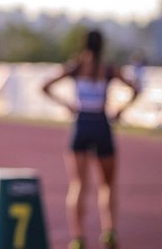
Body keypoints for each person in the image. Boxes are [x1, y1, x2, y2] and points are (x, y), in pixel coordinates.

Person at [42, 29, 139, 249]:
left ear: (84, 44)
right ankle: (109, 232)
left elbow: (45, 86)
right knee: (107, 185)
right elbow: (135, 88)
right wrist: (121, 109)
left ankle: (77, 237)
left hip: (82, 124)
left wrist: (66, 104)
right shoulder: (109, 69)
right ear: (102, 46)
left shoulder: (76, 67)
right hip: (101, 124)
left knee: (78, 185)